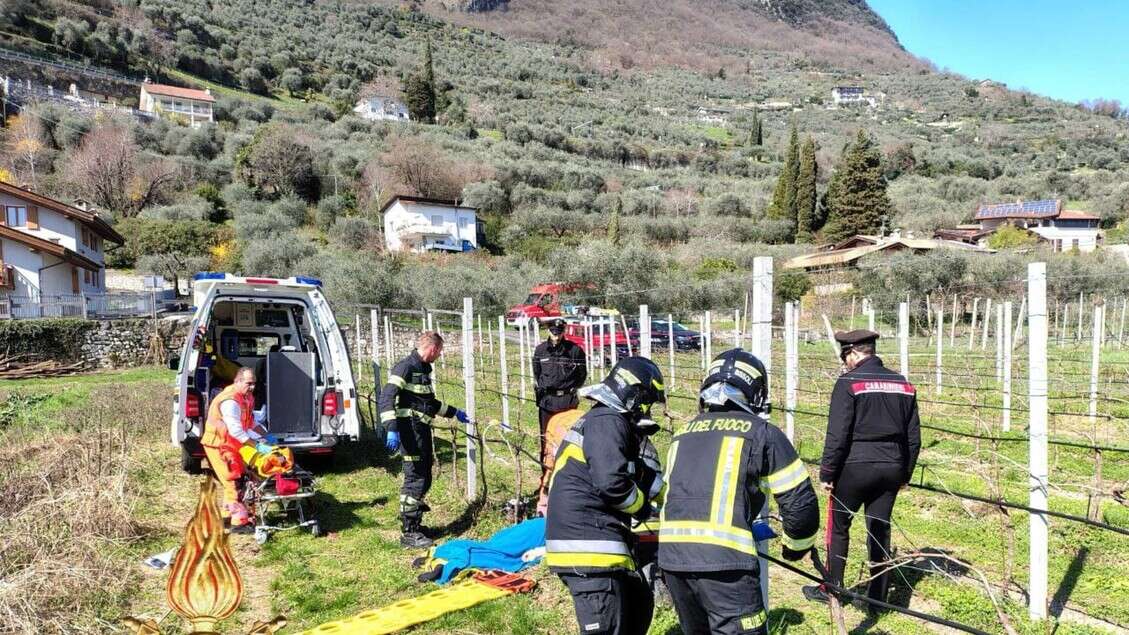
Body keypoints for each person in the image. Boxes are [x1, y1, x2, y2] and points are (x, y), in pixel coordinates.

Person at [659, 349, 820, 635]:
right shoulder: (761, 432)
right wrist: (795, 548)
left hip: (673, 561)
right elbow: (799, 503)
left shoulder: (682, 433)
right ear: (756, 393)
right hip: (726, 567)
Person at [545, 357, 667, 635]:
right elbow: (612, 483)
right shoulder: (608, 420)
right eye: (648, 401)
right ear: (635, 395)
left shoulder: (604, 422)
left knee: (635, 608)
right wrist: (643, 509)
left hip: (596, 544)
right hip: (589, 548)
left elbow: (635, 474)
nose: (648, 410)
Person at [805, 330, 921, 609]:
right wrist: (905, 473)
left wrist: (827, 472)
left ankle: (832, 588)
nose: (844, 363)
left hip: (854, 467)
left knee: (839, 526)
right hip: (892, 466)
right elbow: (914, 437)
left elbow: (838, 433)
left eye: (845, 356)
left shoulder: (849, 382)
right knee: (879, 528)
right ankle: (879, 599)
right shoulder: (903, 384)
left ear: (854, 352)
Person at [378, 331, 469, 549]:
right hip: (409, 431)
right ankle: (409, 532)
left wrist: (455, 412)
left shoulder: (422, 371)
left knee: (425, 475)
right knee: (415, 477)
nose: (439, 356)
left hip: (421, 429)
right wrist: (391, 428)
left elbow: (428, 403)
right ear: (433, 349)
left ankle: (415, 523)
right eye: (439, 352)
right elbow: (387, 396)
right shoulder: (405, 367)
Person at [201, 367, 274, 533]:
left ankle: (227, 514)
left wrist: (267, 436)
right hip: (218, 444)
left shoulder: (246, 397)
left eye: (254, 383)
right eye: (249, 383)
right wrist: (256, 446)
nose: (253, 387)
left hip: (230, 443)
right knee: (233, 481)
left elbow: (251, 422)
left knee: (237, 477)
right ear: (238, 381)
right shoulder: (230, 401)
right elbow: (236, 431)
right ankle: (238, 523)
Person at [533, 318, 587, 509]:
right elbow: (537, 373)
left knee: (570, 441)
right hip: (548, 403)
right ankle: (545, 482)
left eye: (559, 331)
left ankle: (568, 479)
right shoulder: (540, 351)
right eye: (553, 331)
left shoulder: (575, 350)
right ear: (548, 330)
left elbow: (582, 376)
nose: (556, 335)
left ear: (564, 331)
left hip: (568, 403)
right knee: (547, 444)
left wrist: (569, 390)